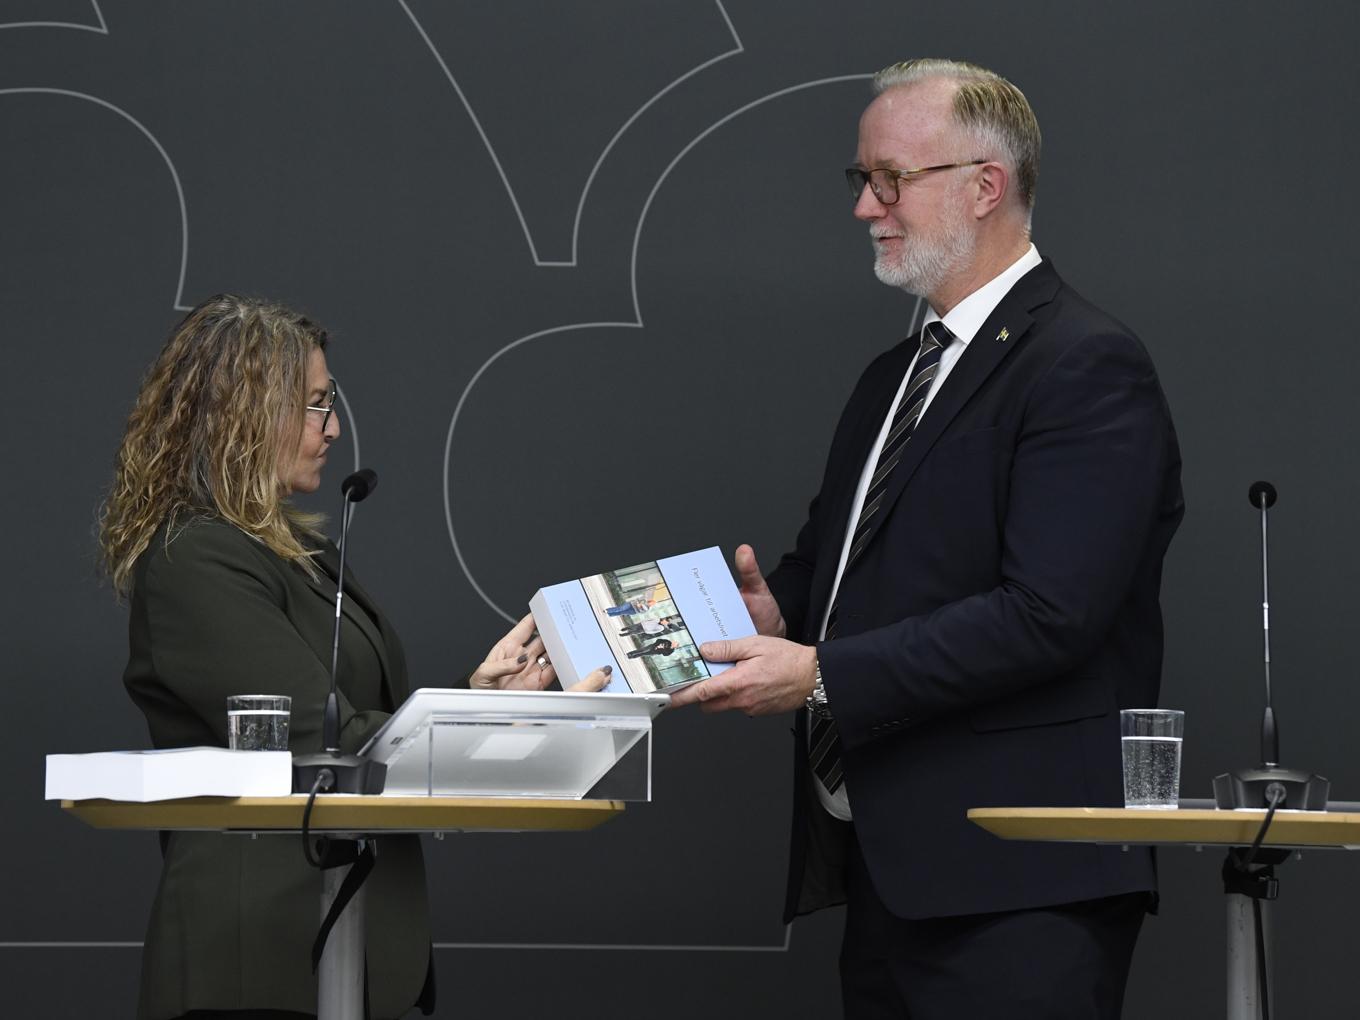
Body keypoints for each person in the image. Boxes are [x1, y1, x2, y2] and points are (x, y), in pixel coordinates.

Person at [670, 59, 1184, 1018]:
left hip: (1024, 882)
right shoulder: (893, 376)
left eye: (889, 178)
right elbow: (842, 570)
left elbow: (1050, 615)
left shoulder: (1086, 364)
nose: (867, 207)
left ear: (986, 186)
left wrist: (819, 671)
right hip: (894, 874)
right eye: (861, 180)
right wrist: (776, 606)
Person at [98, 294, 606, 1020]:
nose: (333, 427)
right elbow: (315, 735)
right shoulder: (196, 557)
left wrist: (477, 691)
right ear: (248, 413)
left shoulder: (295, 550)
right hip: (261, 960)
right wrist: (496, 723)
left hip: (343, 934)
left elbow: (353, 720)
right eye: (314, 404)